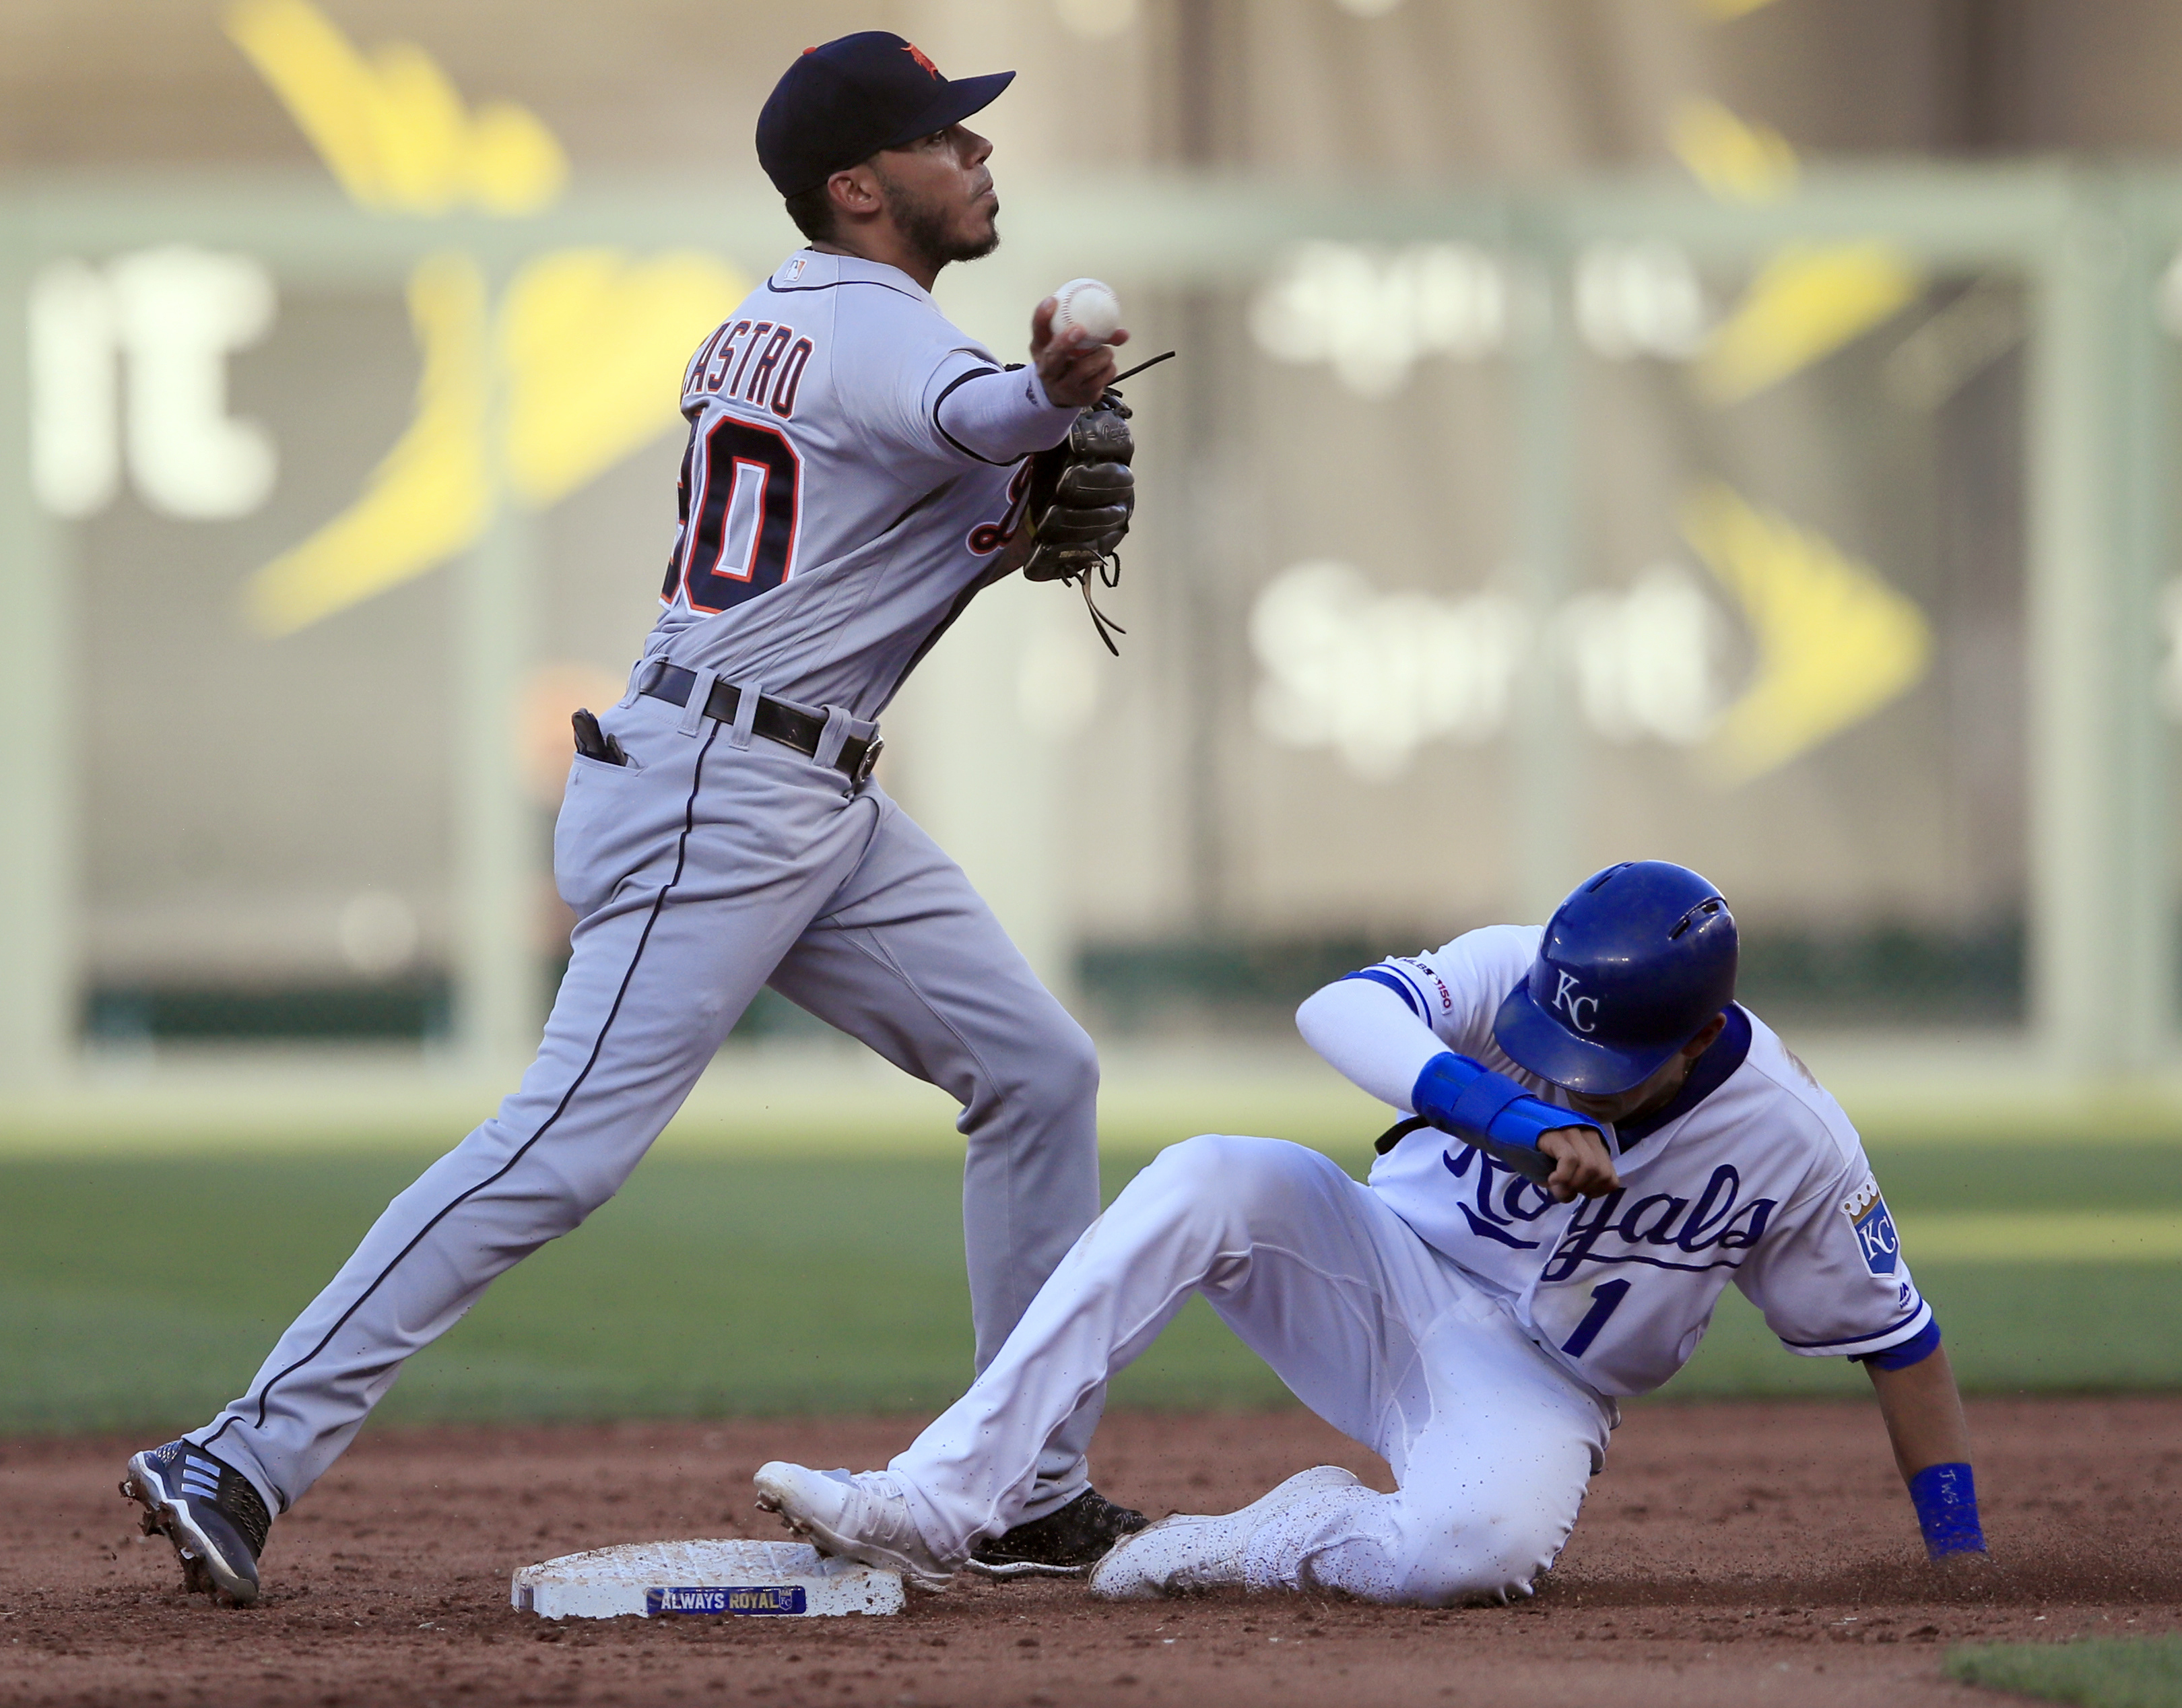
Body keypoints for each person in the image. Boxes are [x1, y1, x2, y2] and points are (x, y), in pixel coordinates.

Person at [123, 31, 1150, 1606]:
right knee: (560, 1149)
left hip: (799, 786)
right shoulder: (880, 330)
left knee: (1037, 1068)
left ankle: (1023, 1481)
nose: (981, 155)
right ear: (859, 188)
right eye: (947, 139)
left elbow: (880, 518)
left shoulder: (781, 320)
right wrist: (1051, 396)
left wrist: (1011, 503)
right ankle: (239, 1450)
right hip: (718, 793)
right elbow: (972, 419)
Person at [754, 861, 1988, 1604]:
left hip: (1539, 1381)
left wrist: (1962, 1554)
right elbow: (1337, 1009)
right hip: (1371, 1266)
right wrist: (1500, 1110)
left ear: (1699, 1037)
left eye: (1600, 1067)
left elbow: (1899, 1339)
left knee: (1472, 1556)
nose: (1571, 1075)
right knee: (1206, 1177)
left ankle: (1270, 1538)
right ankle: (938, 1498)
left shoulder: (1794, 1141)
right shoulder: (1521, 971)